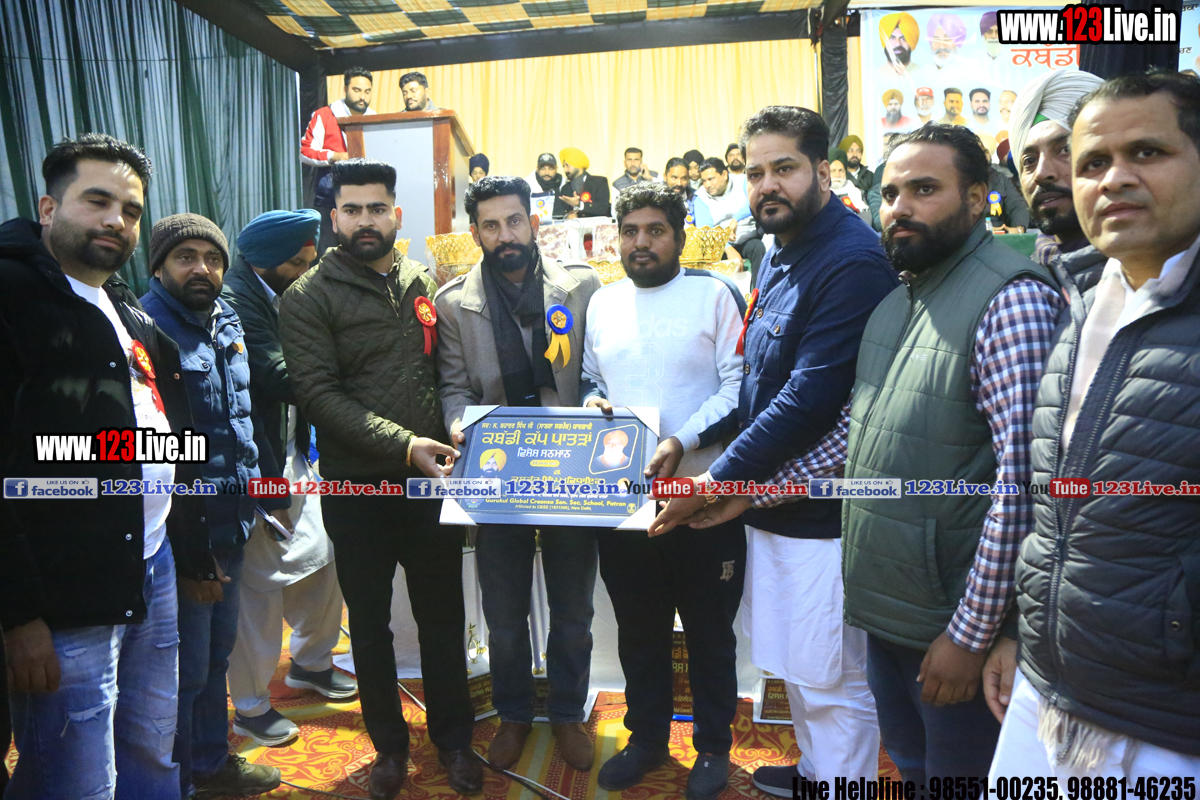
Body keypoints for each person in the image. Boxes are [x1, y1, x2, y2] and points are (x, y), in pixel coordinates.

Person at [649, 106, 898, 789]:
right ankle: (819, 770)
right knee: (803, 666)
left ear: (824, 171)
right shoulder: (784, 250)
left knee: (835, 675)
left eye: (784, 168)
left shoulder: (850, 260)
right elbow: (759, 379)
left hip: (823, 513)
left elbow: (809, 397)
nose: (767, 186)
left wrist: (718, 481)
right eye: (755, 173)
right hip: (776, 504)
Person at [987, 69, 1200, 781]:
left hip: (1166, 722)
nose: (1113, 179)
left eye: (1147, 153)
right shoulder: (1081, 299)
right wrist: (1020, 628)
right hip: (1049, 689)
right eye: (1094, 163)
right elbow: (1055, 508)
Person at [842, 124, 1062, 786]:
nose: (900, 208)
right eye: (890, 194)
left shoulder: (1010, 299)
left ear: (976, 198)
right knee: (913, 769)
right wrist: (743, 489)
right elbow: (856, 436)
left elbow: (1023, 488)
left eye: (924, 189)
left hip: (953, 627)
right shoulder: (897, 301)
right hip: (893, 613)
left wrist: (971, 635)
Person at [1, 133, 208, 800]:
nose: (116, 220)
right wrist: (18, 615)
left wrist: (190, 546)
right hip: (63, 593)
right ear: (48, 207)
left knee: (150, 744)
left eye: (130, 210)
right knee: (78, 779)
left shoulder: (123, 308)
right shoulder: (13, 297)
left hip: (152, 561)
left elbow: (156, 439)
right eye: (97, 201)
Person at [279, 158, 480, 800]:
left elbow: (444, 374)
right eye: (352, 209)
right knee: (369, 627)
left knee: (443, 618)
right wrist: (405, 444)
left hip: (428, 489)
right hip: (358, 491)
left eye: (376, 208)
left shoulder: (421, 280)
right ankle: (389, 747)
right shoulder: (306, 297)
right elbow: (318, 395)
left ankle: (454, 740)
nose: (365, 220)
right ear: (333, 217)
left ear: (396, 212)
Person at [582, 183, 746, 800]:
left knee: (710, 634)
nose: (641, 242)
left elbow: (738, 387)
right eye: (630, 231)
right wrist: (592, 403)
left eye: (655, 230)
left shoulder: (714, 295)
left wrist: (683, 439)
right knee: (639, 631)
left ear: (678, 236)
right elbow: (592, 379)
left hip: (705, 501)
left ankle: (713, 748)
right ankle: (647, 738)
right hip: (626, 503)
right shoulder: (603, 302)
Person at [434, 175, 601, 772]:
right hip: (497, 470)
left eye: (513, 221)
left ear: (533, 223)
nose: (504, 235)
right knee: (504, 617)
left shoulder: (580, 286)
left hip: (570, 470)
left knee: (574, 611)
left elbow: (594, 371)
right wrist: (459, 424)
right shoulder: (453, 302)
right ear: (475, 232)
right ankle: (513, 713)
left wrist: (595, 403)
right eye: (491, 225)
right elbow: (453, 386)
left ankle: (567, 712)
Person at [140, 214, 289, 799]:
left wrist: (267, 493)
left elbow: (244, 421)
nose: (201, 268)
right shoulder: (146, 329)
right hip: (183, 538)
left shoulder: (226, 318)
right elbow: (160, 455)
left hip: (233, 523)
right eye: (186, 258)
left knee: (216, 659)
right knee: (181, 673)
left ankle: (209, 764)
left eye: (212, 258)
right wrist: (193, 554)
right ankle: (175, 780)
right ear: (158, 266)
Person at [222, 209, 357, 749]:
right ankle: (250, 705)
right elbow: (278, 377)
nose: (308, 272)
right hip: (259, 466)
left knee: (326, 557)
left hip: (296, 454)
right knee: (258, 589)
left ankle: (311, 662)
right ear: (266, 262)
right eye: (299, 264)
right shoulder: (235, 302)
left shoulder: (282, 292)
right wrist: (355, 370)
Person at [1007, 70, 1105, 268]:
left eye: (1065, 149)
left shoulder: (1158, 273)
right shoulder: (1025, 278)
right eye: (1029, 160)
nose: (1041, 173)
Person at [301, 66, 377, 256]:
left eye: (367, 91)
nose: (362, 97)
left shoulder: (376, 119)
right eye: (357, 90)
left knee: (362, 254)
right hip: (330, 200)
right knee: (328, 256)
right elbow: (305, 152)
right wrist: (335, 156)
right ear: (345, 90)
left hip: (365, 200)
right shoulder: (324, 115)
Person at [696, 156, 764, 269]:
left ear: (724, 174)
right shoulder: (700, 197)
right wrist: (727, 248)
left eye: (711, 179)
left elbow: (754, 202)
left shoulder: (742, 181)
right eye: (704, 181)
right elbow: (705, 230)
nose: (707, 185)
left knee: (758, 247)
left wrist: (736, 219)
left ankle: (760, 281)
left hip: (747, 237)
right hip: (719, 245)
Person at [555, 147, 610, 219]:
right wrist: (567, 216)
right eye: (564, 166)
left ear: (578, 165)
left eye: (567, 166)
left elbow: (603, 208)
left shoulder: (599, 182)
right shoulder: (565, 188)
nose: (565, 170)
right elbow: (561, 212)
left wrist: (579, 204)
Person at [828, 148, 871, 225]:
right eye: (833, 171)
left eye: (841, 170)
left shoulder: (857, 193)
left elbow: (867, 219)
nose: (837, 175)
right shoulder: (821, 197)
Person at [877, 12, 921, 79]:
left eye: (903, 39)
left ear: (911, 42)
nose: (898, 44)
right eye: (892, 38)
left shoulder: (923, 73)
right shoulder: (875, 76)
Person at [664, 157, 698, 226]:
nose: (679, 183)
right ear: (665, 177)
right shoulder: (656, 200)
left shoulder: (695, 199)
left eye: (683, 178)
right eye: (674, 178)